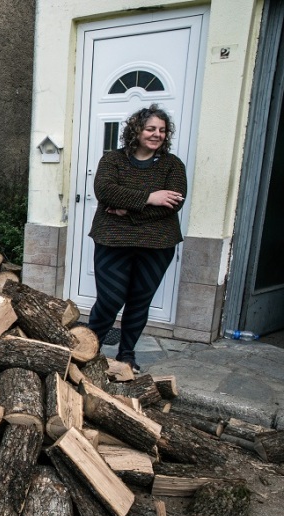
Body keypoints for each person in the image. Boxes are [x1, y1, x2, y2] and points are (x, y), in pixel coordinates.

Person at [87, 104, 187, 373]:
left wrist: (126, 209)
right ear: (136, 130)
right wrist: (150, 197)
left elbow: (173, 204)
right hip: (112, 241)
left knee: (139, 301)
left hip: (157, 245)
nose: (157, 134)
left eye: (162, 130)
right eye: (150, 128)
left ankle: (126, 355)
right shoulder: (113, 160)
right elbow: (105, 191)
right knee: (110, 300)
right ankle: (88, 349)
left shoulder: (172, 165)